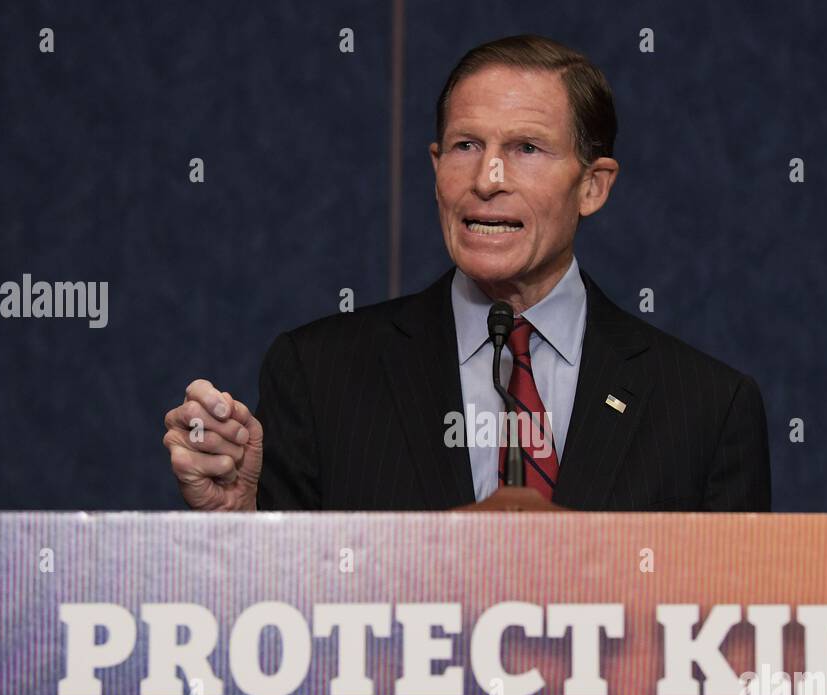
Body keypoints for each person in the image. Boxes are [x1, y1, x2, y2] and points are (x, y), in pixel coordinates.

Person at [162, 34, 770, 512]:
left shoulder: (707, 411)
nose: (487, 179)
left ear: (593, 185)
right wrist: (241, 517)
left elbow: (736, 639)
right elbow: (283, 631)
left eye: (526, 149)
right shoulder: (320, 376)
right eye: (466, 146)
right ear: (435, 168)